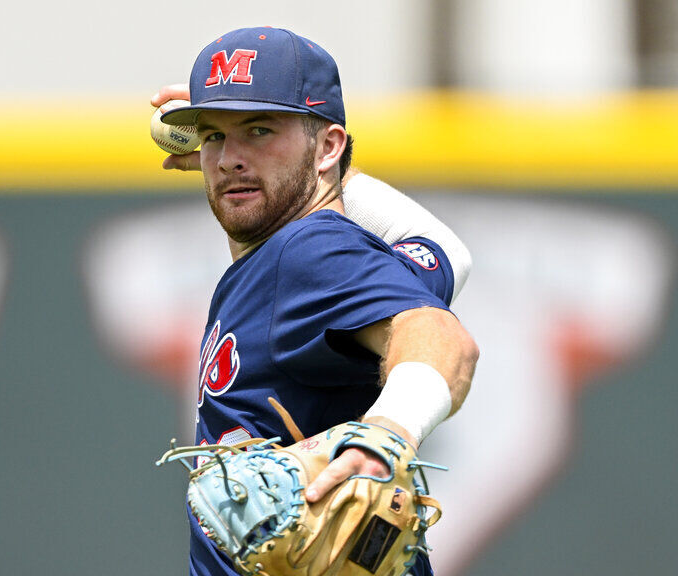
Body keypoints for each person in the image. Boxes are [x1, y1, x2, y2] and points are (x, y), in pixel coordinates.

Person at [156, 26, 479, 576]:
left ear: (329, 145)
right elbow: (448, 252)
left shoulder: (307, 254)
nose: (229, 158)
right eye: (213, 136)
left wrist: (386, 434)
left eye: (259, 129)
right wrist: (284, 162)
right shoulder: (311, 254)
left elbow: (444, 339)